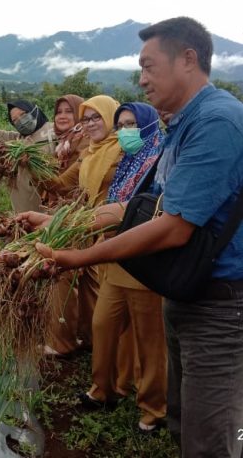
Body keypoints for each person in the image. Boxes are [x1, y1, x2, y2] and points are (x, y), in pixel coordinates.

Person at [35, 17, 243, 457]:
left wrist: (76, 258)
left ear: (188, 59)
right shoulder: (182, 125)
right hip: (192, 295)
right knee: (194, 427)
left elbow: (172, 227)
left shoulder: (218, 121)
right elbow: (138, 209)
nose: (142, 79)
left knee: (208, 443)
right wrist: (52, 223)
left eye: (149, 67)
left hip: (228, 309)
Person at [83, 102, 167, 434]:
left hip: (145, 263)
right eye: (121, 126)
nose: (125, 131)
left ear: (148, 125)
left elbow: (145, 209)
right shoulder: (127, 163)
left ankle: (152, 409)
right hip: (114, 256)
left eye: (132, 124)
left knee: (149, 341)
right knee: (103, 325)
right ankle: (102, 389)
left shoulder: (159, 160)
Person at [38, 95, 123, 356]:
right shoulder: (88, 153)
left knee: (86, 282)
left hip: (113, 229)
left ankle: (81, 343)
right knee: (84, 283)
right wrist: (32, 165)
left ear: (111, 117)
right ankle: (86, 339)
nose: (90, 123)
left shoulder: (124, 150)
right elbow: (60, 184)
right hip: (85, 224)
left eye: (96, 117)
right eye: (86, 119)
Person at [0, 95, 55, 213]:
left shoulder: (53, 131)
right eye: (15, 120)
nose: (21, 121)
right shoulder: (17, 139)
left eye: (23, 115)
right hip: (22, 208)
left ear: (34, 111)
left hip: (48, 208)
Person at [41, 95, 87, 206]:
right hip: (59, 206)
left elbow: (64, 185)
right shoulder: (63, 143)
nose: (62, 116)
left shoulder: (85, 141)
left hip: (73, 209)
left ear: (79, 114)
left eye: (69, 111)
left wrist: (33, 167)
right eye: (58, 112)